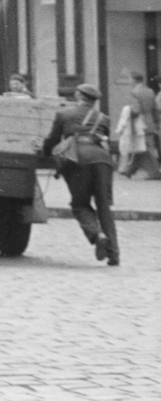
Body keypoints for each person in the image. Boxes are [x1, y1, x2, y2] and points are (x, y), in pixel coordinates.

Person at [43, 83, 118, 267]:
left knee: (80, 204)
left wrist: (45, 153)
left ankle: (96, 235)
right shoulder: (104, 118)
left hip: (78, 160)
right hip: (102, 161)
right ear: (94, 101)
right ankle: (114, 254)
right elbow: (103, 140)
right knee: (104, 206)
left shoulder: (64, 114)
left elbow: (52, 140)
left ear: (78, 95)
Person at [128, 71, 160, 179]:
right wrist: (156, 122)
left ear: (134, 80)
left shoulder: (134, 92)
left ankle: (155, 173)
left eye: (130, 79)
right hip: (149, 122)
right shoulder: (150, 91)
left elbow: (136, 110)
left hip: (139, 123)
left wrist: (128, 114)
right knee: (145, 146)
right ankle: (130, 170)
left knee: (143, 147)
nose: (130, 82)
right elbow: (155, 109)